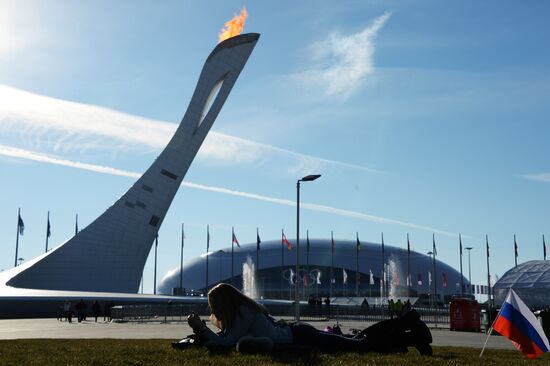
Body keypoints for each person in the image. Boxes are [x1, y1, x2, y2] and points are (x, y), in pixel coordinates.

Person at [186, 283, 432, 355]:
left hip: (299, 334)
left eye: (214, 306)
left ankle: (407, 326)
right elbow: (227, 338)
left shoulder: (243, 313)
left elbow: (228, 344)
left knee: (356, 345)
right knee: (355, 341)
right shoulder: (243, 312)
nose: (213, 310)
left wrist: (200, 329)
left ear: (223, 303)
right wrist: (203, 331)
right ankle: (404, 339)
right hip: (297, 331)